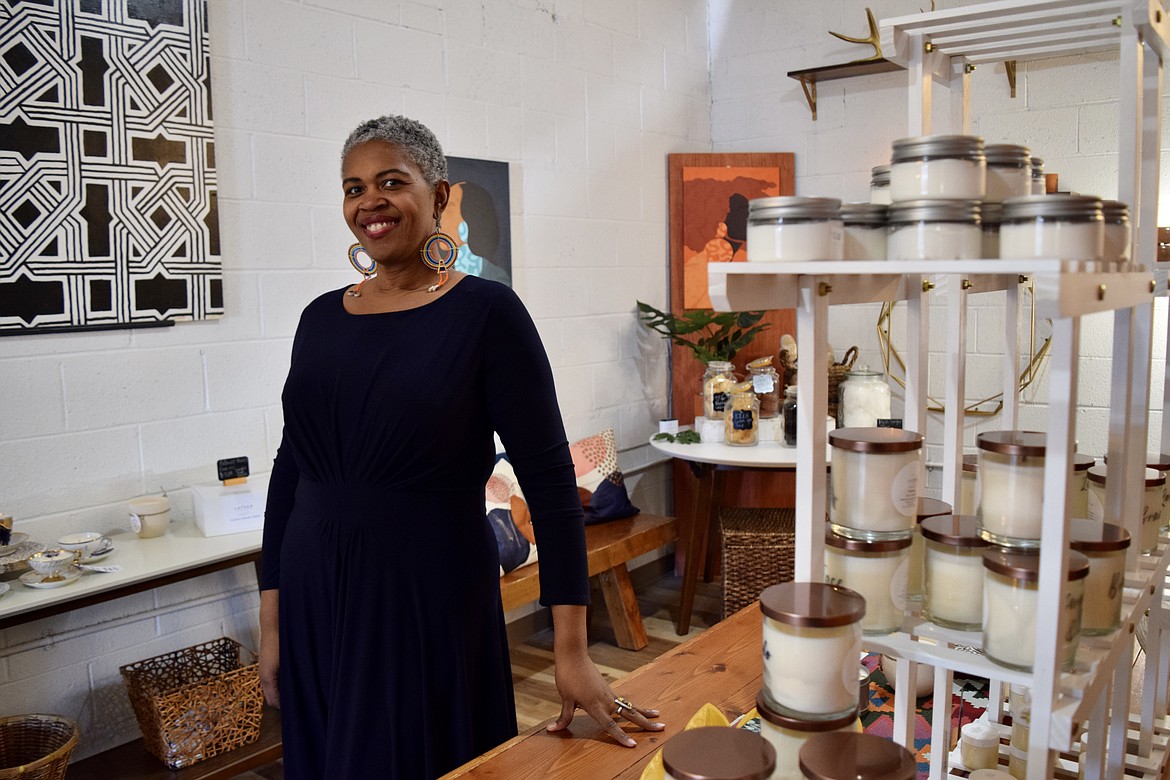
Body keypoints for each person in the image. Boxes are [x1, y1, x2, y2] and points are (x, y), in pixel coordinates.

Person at [258, 114, 664, 779]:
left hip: (425, 593)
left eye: (393, 181)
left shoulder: (486, 313)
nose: (370, 202)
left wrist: (570, 648)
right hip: (313, 593)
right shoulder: (319, 319)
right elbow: (289, 471)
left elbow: (552, 485)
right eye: (353, 187)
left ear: (440, 195)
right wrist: (272, 625)